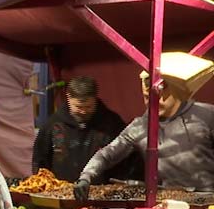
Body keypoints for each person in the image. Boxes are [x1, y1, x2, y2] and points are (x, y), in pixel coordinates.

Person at [75, 72, 214, 200]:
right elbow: (107, 154)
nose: (154, 102)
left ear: (176, 91)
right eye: (148, 98)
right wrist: (86, 176)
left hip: (209, 201)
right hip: (169, 204)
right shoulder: (140, 126)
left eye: (160, 97)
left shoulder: (206, 115)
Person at [33, 76, 133, 182]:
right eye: (79, 107)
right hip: (61, 191)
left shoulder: (112, 123)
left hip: (103, 192)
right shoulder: (52, 124)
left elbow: (127, 158)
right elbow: (40, 160)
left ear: (95, 98)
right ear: (68, 98)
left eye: (88, 107)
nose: (83, 112)